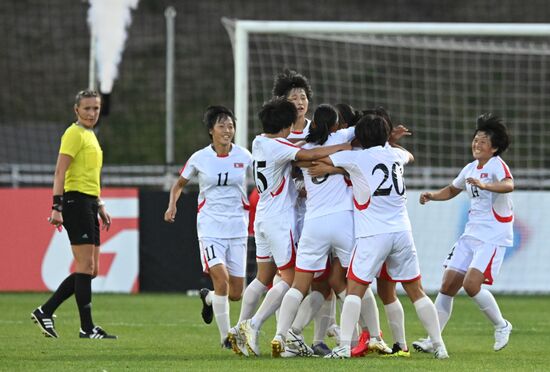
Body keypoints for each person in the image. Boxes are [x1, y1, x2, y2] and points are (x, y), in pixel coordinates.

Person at [318, 114, 449, 359]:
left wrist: (333, 165)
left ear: (359, 137)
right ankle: (439, 345)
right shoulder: (396, 154)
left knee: (354, 289)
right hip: (402, 232)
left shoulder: (355, 157)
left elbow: (321, 160)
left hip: (372, 234)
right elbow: (409, 155)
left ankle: (344, 347)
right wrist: (390, 142)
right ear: (386, 135)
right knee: (416, 291)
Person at [233, 97, 351, 357]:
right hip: (280, 220)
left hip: (261, 217)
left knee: (264, 278)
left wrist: (308, 137)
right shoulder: (280, 148)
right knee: (289, 279)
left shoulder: (259, 141)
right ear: (286, 124)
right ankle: (252, 325)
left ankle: (245, 329)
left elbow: (293, 144)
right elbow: (308, 154)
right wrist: (344, 146)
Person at [271, 104, 390, 358]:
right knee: (359, 282)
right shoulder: (342, 137)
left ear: (314, 124)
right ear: (337, 125)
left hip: (315, 223)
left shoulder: (303, 149)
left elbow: (292, 145)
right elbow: (367, 128)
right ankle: (376, 337)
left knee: (299, 285)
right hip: (343, 222)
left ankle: (283, 336)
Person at [412, 114, 514, 353]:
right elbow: (452, 189)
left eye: (483, 141)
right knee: (447, 285)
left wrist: (487, 185)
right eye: (475, 140)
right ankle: (433, 338)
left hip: (493, 235)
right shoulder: (470, 168)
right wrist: (432, 196)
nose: (476, 145)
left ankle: (502, 325)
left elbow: (509, 184)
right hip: (471, 234)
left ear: (495, 147)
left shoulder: (497, 165)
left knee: (471, 285)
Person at [164, 105, 252, 349]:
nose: (227, 130)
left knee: (236, 293)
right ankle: (226, 338)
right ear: (211, 130)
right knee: (221, 279)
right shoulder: (199, 157)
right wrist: (172, 206)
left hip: (237, 227)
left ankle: (210, 298)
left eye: (231, 126)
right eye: (222, 125)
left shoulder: (245, 156)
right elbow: (179, 184)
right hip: (211, 227)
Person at [31, 89, 116, 339]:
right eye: (87, 108)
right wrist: (56, 207)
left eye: (96, 108)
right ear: (76, 110)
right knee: (85, 265)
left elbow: (90, 175)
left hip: (88, 202)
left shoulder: (90, 135)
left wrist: (100, 204)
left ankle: (45, 311)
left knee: (91, 269)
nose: (92, 113)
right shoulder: (73, 133)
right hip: (74, 202)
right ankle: (86, 328)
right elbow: (60, 172)